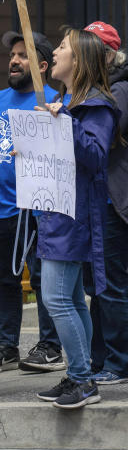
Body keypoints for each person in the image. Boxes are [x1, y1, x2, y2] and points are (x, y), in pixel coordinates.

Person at [35, 27, 118, 409]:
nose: (55, 52)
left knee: (56, 298)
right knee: (71, 299)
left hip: (74, 214)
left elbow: (96, 155)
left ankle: (83, 379)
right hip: (55, 211)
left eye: (63, 47)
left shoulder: (97, 105)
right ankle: (79, 373)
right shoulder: (63, 100)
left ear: (80, 60)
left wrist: (62, 121)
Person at [0, 31, 63, 374]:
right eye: (12, 55)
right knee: (5, 279)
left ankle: (50, 345)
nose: (14, 60)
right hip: (0, 207)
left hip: (39, 208)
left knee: (43, 277)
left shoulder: (55, 99)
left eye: (22, 55)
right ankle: (8, 345)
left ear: (42, 65)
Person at [92, 21, 128, 385]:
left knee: (112, 285)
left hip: (112, 203)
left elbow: (104, 135)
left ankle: (118, 362)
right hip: (96, 202)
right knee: (99, 287)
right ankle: (101, 358)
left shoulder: (120, 90)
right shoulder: (97, 90)